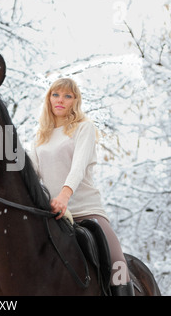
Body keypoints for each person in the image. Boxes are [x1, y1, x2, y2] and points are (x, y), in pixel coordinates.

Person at [29, 78, 134, 296]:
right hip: (53, 215)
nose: (60, 100)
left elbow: (78, 168)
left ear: (75, 101)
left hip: (86, 210)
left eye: (68, 96)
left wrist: (64, 196)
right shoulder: (40, 136)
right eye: (56, 94)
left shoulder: (83, 128)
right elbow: (31, 173)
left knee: (118, 266)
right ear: (49, 98)